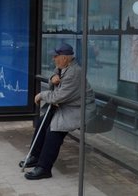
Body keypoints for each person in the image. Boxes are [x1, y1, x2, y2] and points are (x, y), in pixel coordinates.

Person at [20, 42, 92, 180]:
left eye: (55, 56)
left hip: (78, 109)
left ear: (64, 58)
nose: (53, 59)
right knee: (43, 121)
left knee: (54, 130)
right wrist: (53, 78)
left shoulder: (74, 73)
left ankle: (44, 168)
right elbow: (55, 76)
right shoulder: (63, 66)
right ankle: (34, 156)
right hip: (66, 105)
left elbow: (58, 96)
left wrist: (41, 95)